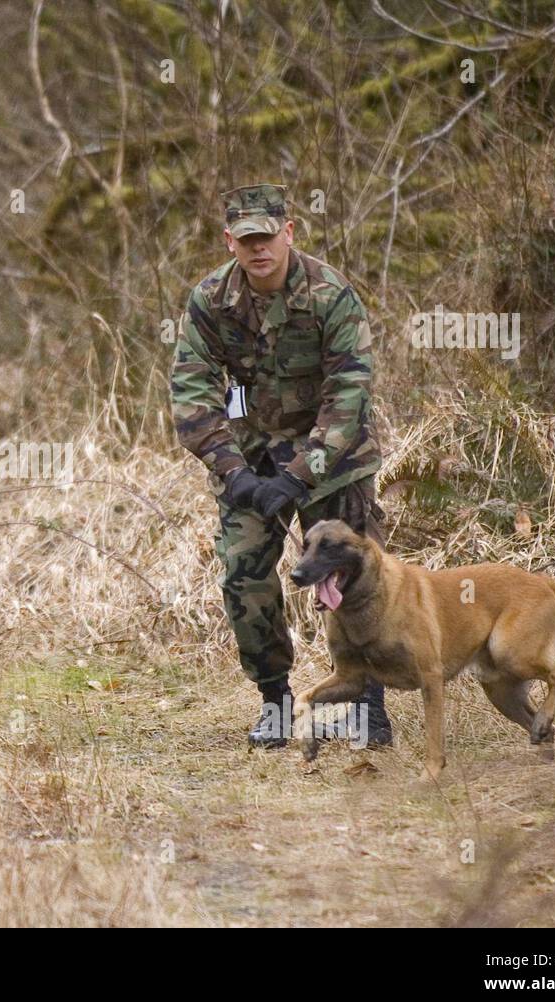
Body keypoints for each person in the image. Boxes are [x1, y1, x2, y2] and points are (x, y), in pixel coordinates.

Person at [171, 182, 392, 748]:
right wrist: (238, 475)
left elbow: (350, 392)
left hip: (334, 460)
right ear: (229, 242)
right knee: (244, 573)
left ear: (288, 232)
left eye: (268, 236)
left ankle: (368, 703)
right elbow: (192, 393)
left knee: (358, 578)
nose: (258, 249)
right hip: (250, 461)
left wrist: (300, 473)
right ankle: (275, 700)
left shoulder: (330, 294)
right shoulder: (210, 300)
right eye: (246, 240)